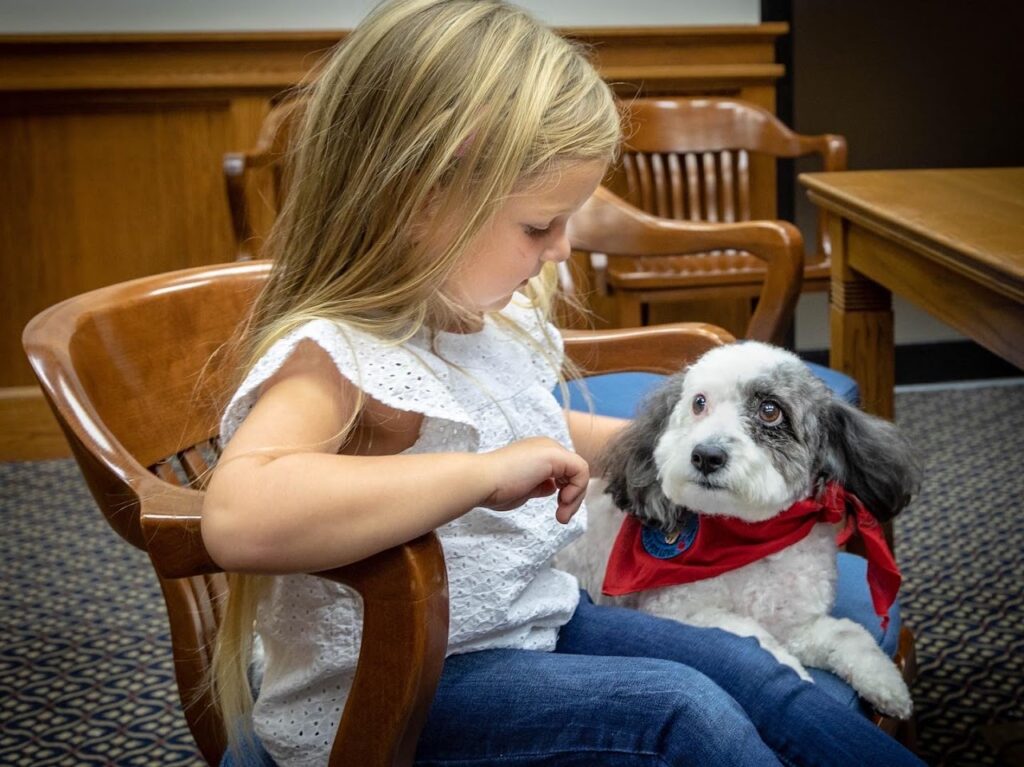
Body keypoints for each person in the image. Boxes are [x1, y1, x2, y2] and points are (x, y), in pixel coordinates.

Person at [202, 1, 926, 765]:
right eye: (539, 226)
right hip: (402, 679)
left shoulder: (476, 321)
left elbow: (528, 424)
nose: (560, 249)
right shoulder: (339, 353)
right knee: (686, 714)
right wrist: (478, 477)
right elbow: (240, 514)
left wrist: (664, 450)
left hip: (530, 618)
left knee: (757, 671)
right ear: (419, 200)